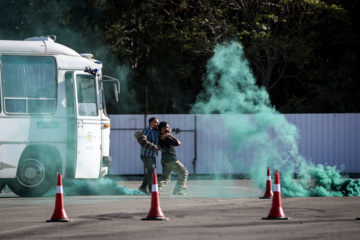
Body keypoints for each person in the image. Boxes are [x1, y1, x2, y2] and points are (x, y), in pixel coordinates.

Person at [158, 121, 188, 195]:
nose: (168, 128)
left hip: (164, 160)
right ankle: (178, 190)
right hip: (172, 160)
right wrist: (170, 135)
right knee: (184, 173)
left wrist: (168, 132)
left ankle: (155, 190)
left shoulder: (158, 136)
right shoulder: (167, 138)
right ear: (163, 128)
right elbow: (178, 143)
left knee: (165, 178)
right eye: (167, 127)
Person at [138, 117, 159, 195]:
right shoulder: (147, 130)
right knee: (152, 171)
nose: (158, 124)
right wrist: (153, 146)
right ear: (151, 123)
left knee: (151, 171)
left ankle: (144, 187)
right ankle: (150, 190)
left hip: (152, 155)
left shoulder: (156, 131)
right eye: (156, 122)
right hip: (146, 155)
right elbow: (143, 141)